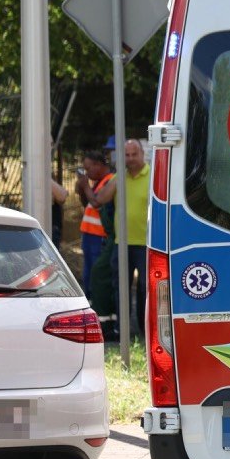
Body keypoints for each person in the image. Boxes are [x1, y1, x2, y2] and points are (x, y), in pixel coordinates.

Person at [91, 138, 149, 337]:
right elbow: (100, 199)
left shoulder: (153, 176)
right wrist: (117, 177)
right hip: (121, 243)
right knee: (121, 288)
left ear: (143, 154)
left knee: (145, 288)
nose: (131, 159)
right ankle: (123, 329)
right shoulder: (119, 179)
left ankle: (144, 329)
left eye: (134, 154)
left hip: (146, 243)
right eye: (127, 155)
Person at [75, 150, 115, 299]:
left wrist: (86, 186)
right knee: (88, 271)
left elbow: (98, 204)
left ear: (98, 165)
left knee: (94, 272)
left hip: (99, 236)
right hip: (90, 234)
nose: (87, 173)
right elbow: (88, 204)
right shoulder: (99, 182)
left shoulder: (110, 180)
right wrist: (82, 190)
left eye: (88, 168)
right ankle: (90, 298)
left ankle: (95, 300)